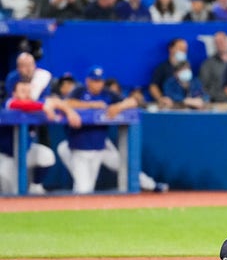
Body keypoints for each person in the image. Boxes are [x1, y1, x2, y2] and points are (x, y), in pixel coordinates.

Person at [57, 65, 167, 194]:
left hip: (102, 145)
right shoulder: (80, 91)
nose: (98, 84)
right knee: (84, 189)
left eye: (100, 81)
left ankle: (152, 185)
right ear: (88, 81)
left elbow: (132, 101)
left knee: (124, 165)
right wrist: (92, 105)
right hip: (80, 146)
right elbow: (66, 103)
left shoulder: (107, 93)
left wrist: (119, 107)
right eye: (95, 81)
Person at [0, 80, 82, 194]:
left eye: (29, 91)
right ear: (14, 94)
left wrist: (69, 112)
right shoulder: (8, 103)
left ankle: (36, 185)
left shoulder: (36, 104)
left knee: (46, 156)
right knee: (11, 192)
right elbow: (20, 105)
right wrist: (44, 107)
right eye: (23, 91)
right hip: (6, 157)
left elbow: (55, 101)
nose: (27, 94)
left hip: (25, 153)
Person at [149, 37, 189, 109]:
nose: (183, 51)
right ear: (171, 49)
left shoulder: (188, 68)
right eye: (180, 48)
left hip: (185, 104)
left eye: (185, 49)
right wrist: (160, 99)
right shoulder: (162, 67)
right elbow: (153, 86)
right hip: (168, 105)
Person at [199, 31, 227, 108]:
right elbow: (203, 86)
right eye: (217, 42)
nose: (220, 45)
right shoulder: (208, 64)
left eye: (222, 41)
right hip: (216, 103)